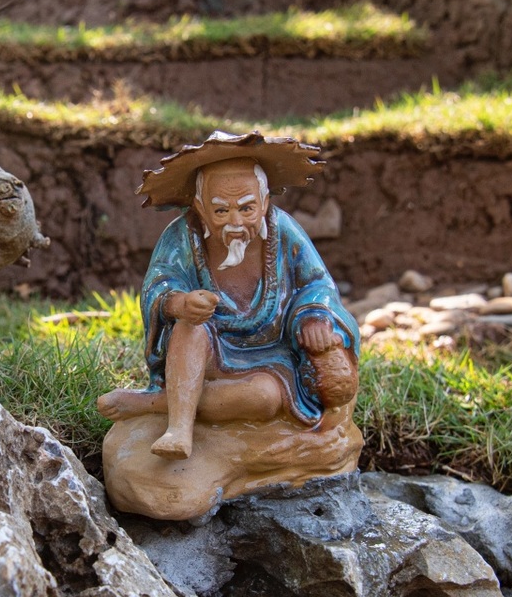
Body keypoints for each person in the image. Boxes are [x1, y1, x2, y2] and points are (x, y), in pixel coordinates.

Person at [98, 133, 359, 464]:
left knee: (265, 397)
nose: (236, 222)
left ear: (265, 203)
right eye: (221, 211)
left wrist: (313, 316)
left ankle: (155, 403)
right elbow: (159, 282)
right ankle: (179, 429)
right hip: (202, 352)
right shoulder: (181, 236)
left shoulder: (286, 233)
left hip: (267, 359)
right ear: (200, 207)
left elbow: (317, 284)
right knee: (190, 328)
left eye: (247, 208)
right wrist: (178, 303)